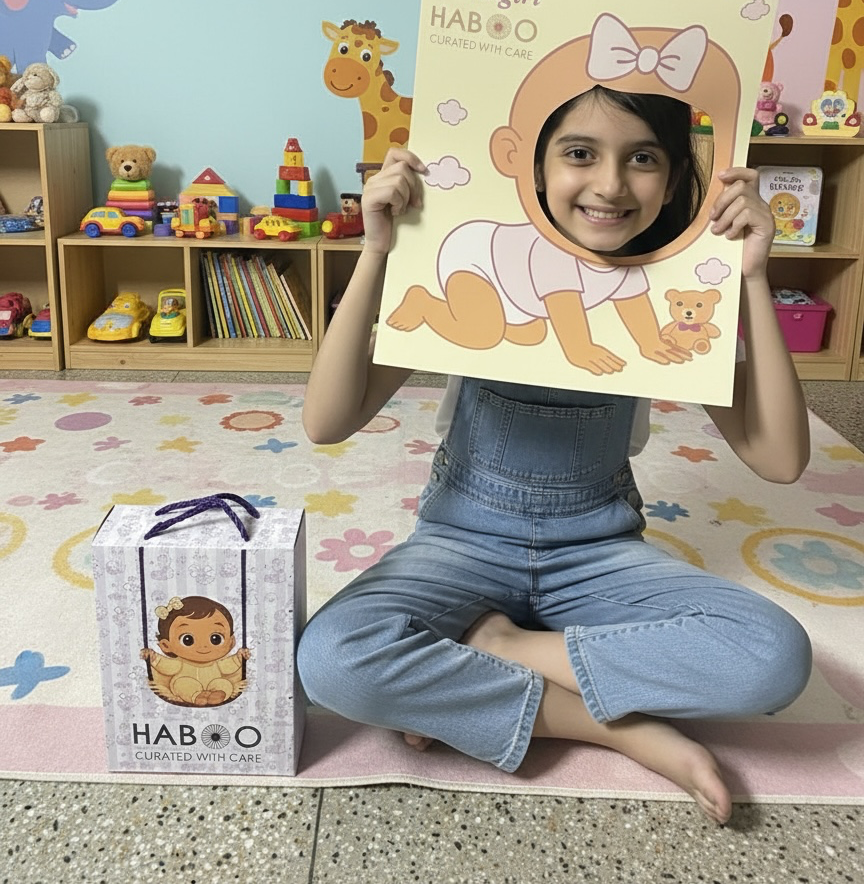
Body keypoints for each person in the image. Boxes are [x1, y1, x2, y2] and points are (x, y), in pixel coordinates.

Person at [297, 79, 812, 826]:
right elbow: (326, 420)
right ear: (534, 168)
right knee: (333, 659)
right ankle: (609, 726)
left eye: (642, 158)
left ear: (674, 181)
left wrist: (755, 278)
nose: (610, 184)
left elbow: (780, 458)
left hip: (596, 551)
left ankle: (499, 647)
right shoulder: (477, 261)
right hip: (462, 541)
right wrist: (379, 250)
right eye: (579, 153)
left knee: (774, 655)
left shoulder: (671, 289)